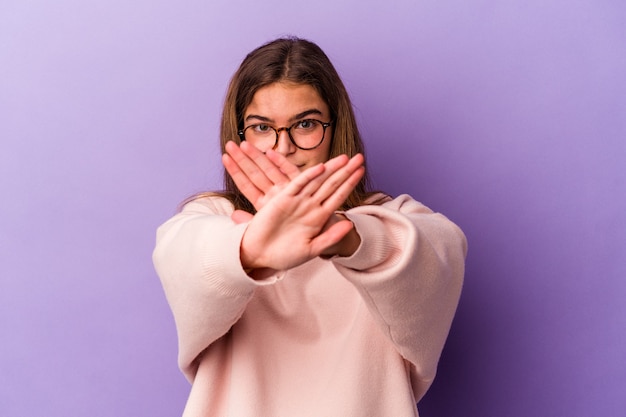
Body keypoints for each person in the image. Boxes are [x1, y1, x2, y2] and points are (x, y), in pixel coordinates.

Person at [152, 36, 467, 417]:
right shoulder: (214, 219)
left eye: (305, 124)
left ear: (335, 128)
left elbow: (438, 255)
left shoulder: (393, 218)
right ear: (238, 133)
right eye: (262, 127)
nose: (283, 149)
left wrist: (345, 236)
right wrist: (251, 250)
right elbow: (183, 253)